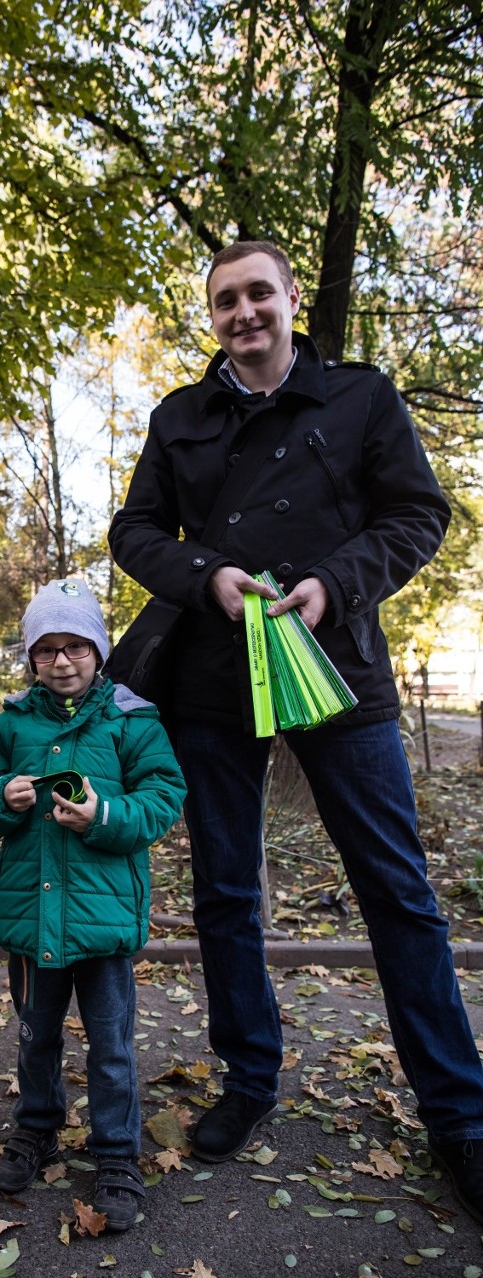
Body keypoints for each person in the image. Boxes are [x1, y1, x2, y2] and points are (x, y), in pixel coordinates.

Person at [108, 241, 483, 1224]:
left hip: (340, 674)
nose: (244, 312)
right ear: (215, 315)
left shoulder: (361, 397)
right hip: (210, 685)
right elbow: (135, 531)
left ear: (288, 302)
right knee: (228, 892)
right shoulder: (178, 418)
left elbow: (418, 513)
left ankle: (460, 1117)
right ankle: (248, 1080)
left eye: (258, 294)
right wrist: (206, 579)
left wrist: (336, 584)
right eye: (226, 300)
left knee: (398, 892)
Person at [0, 579, 185, 1232]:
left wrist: (104, 814)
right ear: (31, 657)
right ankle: (37, 1128)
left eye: (76, 647)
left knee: (110, 1045)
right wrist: (4, 794)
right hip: (32, 921)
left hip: (105, 921)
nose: (62, 662)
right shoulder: (10, 724)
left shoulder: (131, 720)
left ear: (99, 650)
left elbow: (164, 796)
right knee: (36, 1036)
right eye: (47, 649)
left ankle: (116, 1152)